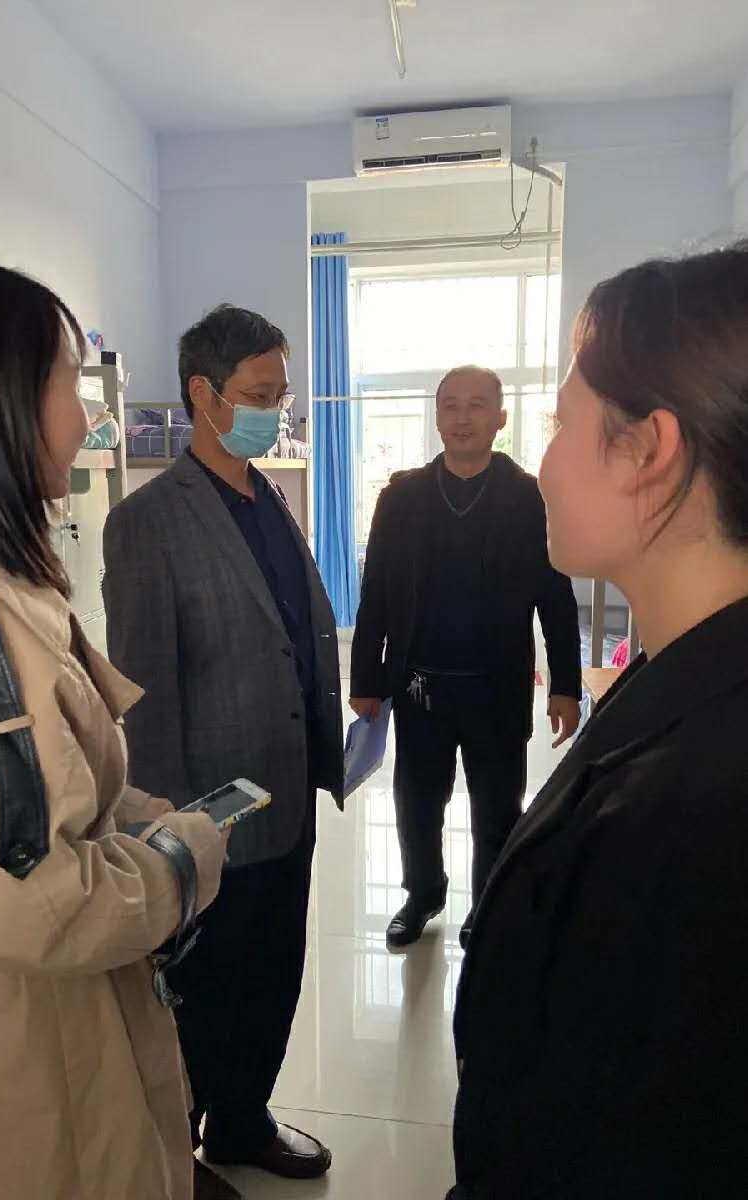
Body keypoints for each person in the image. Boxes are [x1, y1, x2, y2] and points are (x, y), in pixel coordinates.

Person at [0, 251, 229, 1200]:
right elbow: (27, 903)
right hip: (27, 1027)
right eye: (70, 381)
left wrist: (125, 810)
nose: (90, 419)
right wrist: (180, 862)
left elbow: (16, 786)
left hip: (35, 1000)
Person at [449, 242, 748, 1198]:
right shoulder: (678, 670)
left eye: (558, 424)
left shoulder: (693, 809)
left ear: (649, 451)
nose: (541, 463)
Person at [102, 304, 344, 1200]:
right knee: (206, 988)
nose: (274, 412)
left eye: (280, 395)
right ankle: (179, 1147)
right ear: (203, 394)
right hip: (208, 811)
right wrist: (167, 832)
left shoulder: (267, 496)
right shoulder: (148, 522)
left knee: (275, 967)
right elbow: (144, 690)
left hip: (287, 789)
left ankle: (243, 1122)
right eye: (258, 395)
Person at [351, 366, 582, 950]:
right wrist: (366, 679)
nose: (462, 417)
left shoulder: (530, 498)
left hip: (497, 689)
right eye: (450, 405)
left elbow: (555, 597)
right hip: (420, 687)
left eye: (477, 405)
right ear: (436, 417)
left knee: (497, 806)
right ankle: (422, 894)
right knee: (416, 802)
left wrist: (565, 684)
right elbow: (375, 595)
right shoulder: (400, 498)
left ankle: (488, 904)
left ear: (500, 418)